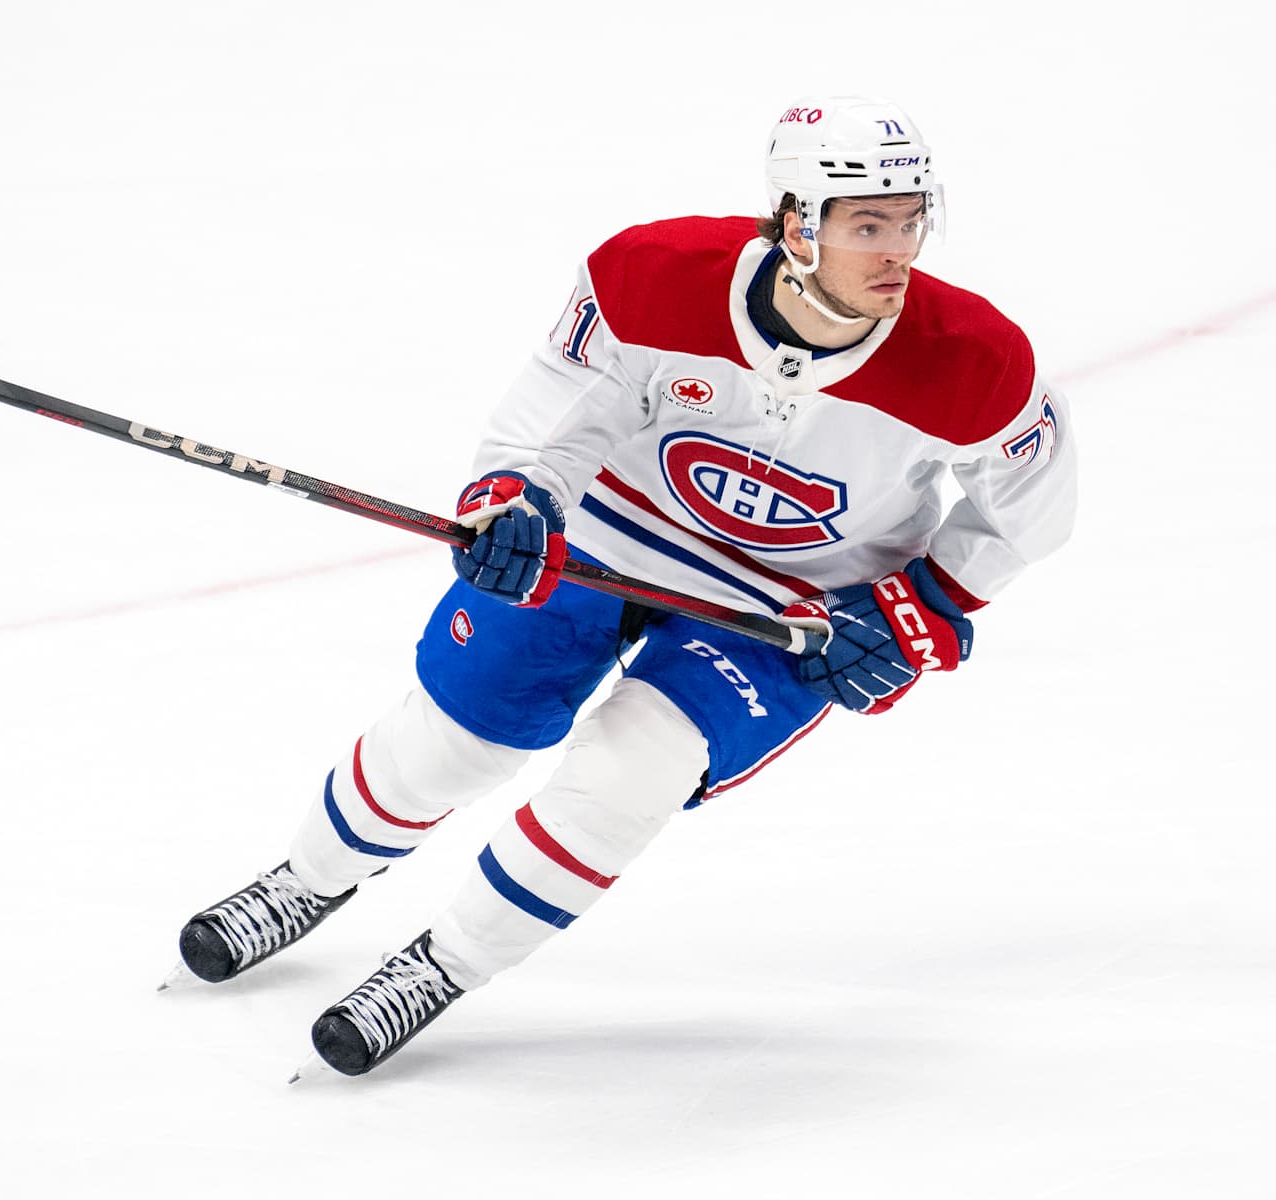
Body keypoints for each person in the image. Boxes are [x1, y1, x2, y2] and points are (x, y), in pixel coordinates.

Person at [171, 95, 1077, 1078]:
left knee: (626, 775)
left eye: (911, 220)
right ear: (792, 223)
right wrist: (518, 499)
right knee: (454, 741)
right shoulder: (653, 278)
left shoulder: (976, 359)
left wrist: (920, 608)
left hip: (787, 602)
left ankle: (445, 963)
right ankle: (309, 881)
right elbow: (561, 412)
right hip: (613, 531)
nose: (898, 250)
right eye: (868, 225)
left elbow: (1029, 507)